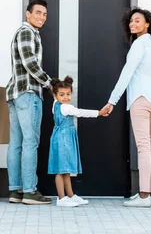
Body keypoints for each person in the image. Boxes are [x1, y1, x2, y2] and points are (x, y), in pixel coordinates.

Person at [103, 8, 151, 207]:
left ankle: (143, 196)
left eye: (137, 20)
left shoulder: (139, 45)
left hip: (141, 98)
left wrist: (112, 101)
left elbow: (127, 73)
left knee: (144, 147)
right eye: (131, 21)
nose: (132, 24)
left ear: (147, 24)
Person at [6, 0, 53, 205]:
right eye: (38, 13)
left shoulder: (27, 33)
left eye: (44, 14)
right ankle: (30, 191)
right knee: (30, 143)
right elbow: (30, 63)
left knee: (16, 144)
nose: (41, 17)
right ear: (28, 14)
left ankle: (16, 191)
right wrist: (49, 83)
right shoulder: (26, 32)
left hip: (16, 94)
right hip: (28, 93)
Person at [48, 76, 111, 207]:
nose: (66, 97)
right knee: (60, 169)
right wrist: (99, 113)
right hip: (64, 139)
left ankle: (70, 195)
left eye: (68, 94)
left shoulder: (55, 104)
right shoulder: (66, 107)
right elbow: (80, 112)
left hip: (60, 137)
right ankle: (61, 198)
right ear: (55, 95)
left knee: (65, 169)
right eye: (61, 94)